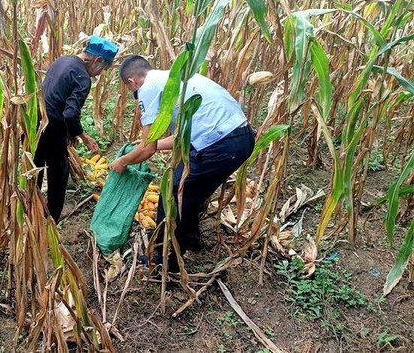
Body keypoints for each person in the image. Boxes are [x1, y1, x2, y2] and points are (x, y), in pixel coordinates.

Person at [110, 55, 255, 269]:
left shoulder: (147, 87)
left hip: (220, 145)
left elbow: (146, 149)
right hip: (241, 139)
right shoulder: (177, 78)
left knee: (172, 191)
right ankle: (190, 238)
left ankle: (164, 261)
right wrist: (155, 143)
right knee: (190, 191)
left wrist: (122, 161)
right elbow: (183, 136)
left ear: (132, 82)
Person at [34, 35, 119, 222]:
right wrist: (84, 136)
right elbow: (69, 114)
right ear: (97, 61)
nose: (101, 73)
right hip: (52, 127)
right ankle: (52, 219)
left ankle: (30, 209)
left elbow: (55, 96)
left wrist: (69, 132)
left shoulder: (62, 60)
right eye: (103, 68)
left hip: (35, 121)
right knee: (59, 172)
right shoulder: (82, 77)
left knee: (35, 167)